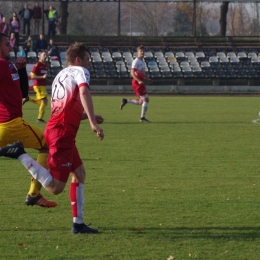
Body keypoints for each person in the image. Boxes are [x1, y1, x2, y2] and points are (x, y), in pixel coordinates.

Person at [0, 42, 105, 234]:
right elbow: (83, 91)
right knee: (56, 188)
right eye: (88, 60)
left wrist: (86, 116)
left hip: (57, 129)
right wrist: (92, 122)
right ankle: (21, 155)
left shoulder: (60, 75)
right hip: (62, 135)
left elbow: (62, 109)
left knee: (80, 173)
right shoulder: (80, 71)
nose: (89, 64)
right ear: (78, 60)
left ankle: (78, 223)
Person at [0, 32, 57, 208]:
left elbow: (23, 93)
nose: (11, 47)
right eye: (7, 45)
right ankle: (34, 194)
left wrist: (22, 71)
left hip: (6, 125)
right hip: (12, 124)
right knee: (46, 145)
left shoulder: (8, 66)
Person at [120, 45, 152, 122]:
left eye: (143, 51)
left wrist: (148, 79)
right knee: (146, 100)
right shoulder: (136, 61)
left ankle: (126, 101)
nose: (142, 52)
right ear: (137, 52)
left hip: (139, 83)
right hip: (137, 84)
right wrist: (138, 80)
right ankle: (142, 118)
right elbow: (132, 73)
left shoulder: (142, 62)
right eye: (141, 51)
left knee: (141, 101)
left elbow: (142, 74)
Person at [24, 51, 48, 123]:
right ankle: (39, 119)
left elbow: (44, 77)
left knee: (43, 103)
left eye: (46, 55)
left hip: (42, 86)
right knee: (44, 101)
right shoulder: (37, 65)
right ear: (40, 56)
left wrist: (50, 81)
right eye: (44, 55)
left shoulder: (45, 65)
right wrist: (42, 77)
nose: (45, 56)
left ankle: (28, 99)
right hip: (38, 85)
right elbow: (32, 76)